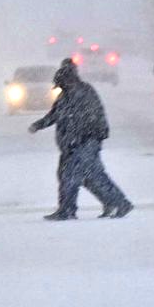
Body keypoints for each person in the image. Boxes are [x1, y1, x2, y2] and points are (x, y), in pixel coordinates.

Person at [29, 60, 133, 220]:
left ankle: (68, 210)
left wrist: (81, 139)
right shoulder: (65, 96)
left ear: (68, 81)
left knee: (71, 176)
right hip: (74, 145)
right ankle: (114, 203)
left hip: (84, 143)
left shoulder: (83, 93)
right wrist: (39, 125)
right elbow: (54, 115)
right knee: (89, 177)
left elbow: (91, 118)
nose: (60, 88)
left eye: (62, 85)